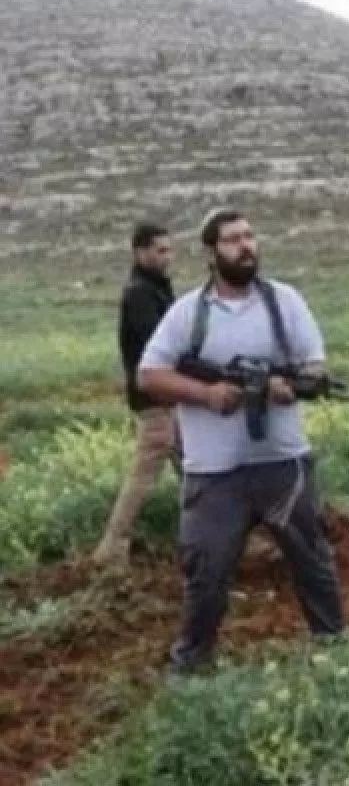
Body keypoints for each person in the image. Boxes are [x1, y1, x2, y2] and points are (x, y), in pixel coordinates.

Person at [137, 208, 345, 673]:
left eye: (250, 236)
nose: (246, 246)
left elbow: (315, 366)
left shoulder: (284, 302)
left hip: (282, 464)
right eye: (233, 240)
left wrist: (289, 387)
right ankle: (190, 669)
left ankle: (337, 652)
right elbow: (149, 375)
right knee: (205, 574)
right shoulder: (188, 313)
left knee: (313, 563)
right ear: (211, 253)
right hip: (214, 473)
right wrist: (207, 395)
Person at [93, 223, 180, 567]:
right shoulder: (141, 294)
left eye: (169, 250)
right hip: (156, 398)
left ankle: (223, 533)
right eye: (160, 251)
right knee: (146, 473)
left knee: (197, 468)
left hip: (166, 395)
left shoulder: (153, 289)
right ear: (140, 252)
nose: (167, 257)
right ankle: (112, 546)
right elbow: (159, 345)